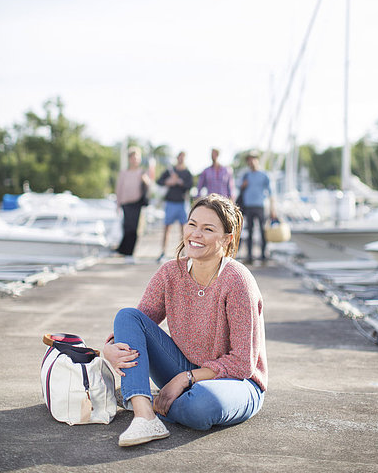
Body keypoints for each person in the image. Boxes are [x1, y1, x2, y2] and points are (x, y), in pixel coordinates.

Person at [103, 193, 267, 447]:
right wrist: (110, 348)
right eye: (192, 224)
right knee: (126, 315)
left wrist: (184, 379)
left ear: (227, 238)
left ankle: (155, 401)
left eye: (208, 229)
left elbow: (243, 363)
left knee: (201, 405)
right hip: (182, 365)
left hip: (235, 383)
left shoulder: (237, 281)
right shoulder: (170, 273)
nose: (195, 234)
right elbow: (136, 323)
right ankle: (144, 416)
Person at [239, 151, 276, 263]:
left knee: (262, 231)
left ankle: (263, 254)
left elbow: (271, 193)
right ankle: (249, 255)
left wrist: (273, 209)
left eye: (253, 159)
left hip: (260, 206)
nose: (251, 161)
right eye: (249, 159)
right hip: (248, 206)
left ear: (257, 160)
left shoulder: (264, 175)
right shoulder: (246, 175)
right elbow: (239, 189)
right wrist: (243, 186)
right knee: (249, 232)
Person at [156, 151, 193, 262]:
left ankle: (184, 253)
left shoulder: (187, 172)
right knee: (167, 228)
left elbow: (189, 185)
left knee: (184, 230)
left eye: (183, 157)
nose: (181, 159)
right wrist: (169, 181)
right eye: (179, 157)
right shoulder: (170, 171)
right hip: (170, 203)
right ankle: (163, 253)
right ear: (177, 158)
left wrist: (180, 182)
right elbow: (159, 181)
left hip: (182, 203)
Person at [115, 146, 150, 263]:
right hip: (125, 203)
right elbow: (119, 188)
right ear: (130, 159)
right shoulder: (123, 173)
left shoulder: (142, 172)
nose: (135, 160)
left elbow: (149, 185)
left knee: (134, 229)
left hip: (136, 203)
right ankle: (125, 252)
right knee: (127, 227)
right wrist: (118, 204)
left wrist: (145, 180)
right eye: (133, 158)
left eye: (137, 158)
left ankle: (130, 253)